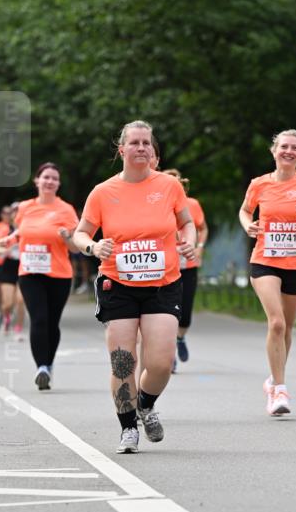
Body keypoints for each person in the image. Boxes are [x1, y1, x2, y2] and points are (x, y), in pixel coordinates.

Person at [73, 120, 196, 453]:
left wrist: (189, 241)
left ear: (152, 150)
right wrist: (93, 247)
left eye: (146, 143)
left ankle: (145, 403)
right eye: (135, 142)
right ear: (122, 149)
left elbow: (186, 222)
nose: (141, 147)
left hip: (163, 284)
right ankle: (128, 427)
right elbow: (80, 233)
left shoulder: (169, 186)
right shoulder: (103, 192)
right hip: (118, 284)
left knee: (160, 362)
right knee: (124, 362)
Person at [238, 129, 296, 416]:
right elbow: (244, 211)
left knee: (286, 327)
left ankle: (273, 380)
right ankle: (280, 388)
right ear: (274, 151)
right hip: (264, 260)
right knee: (275, 323)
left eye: (294, 148)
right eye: (284, 146)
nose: (288, 151)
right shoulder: (259, 184)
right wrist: (247, 224)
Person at [0, 163, 79, 390]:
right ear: (37, 181)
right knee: (39, 318)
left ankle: (49, 364)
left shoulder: (66, 210)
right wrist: (11, 239)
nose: (50, 181)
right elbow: (22, 230)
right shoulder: (24, 207)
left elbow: (75, 248)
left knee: (52, 322)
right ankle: (41, 367)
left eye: (54, 178)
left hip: (59, 274)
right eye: (46, 177)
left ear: (58, 184)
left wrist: (66, 238)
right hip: (30, 272)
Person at [163, 169, 208, 369]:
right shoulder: (157, 205)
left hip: (188, 265)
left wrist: (199, 247)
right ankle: (169, 354)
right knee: (168, 311)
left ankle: (180, 338)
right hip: (164, 267)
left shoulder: (192, 205)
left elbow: (203, 227)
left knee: (186, 312)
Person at [0, 202, 26, 336]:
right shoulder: (5, 230)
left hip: (24, 267)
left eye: (19, 211)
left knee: (20, 300)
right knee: (7, 303)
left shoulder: (28, 229)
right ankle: (6, 318)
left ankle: (18, 328)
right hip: (8, 268)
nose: (16, 214)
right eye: (14, 212)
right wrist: (5, 250)